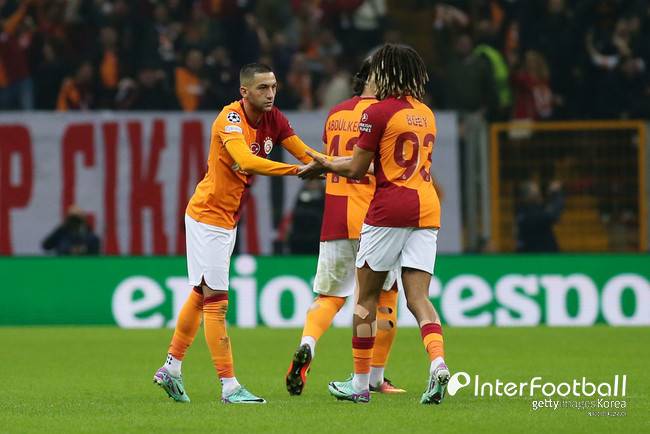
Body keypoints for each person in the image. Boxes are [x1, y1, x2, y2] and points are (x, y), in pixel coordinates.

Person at [153, 63, 323, 404]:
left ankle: (171, 367)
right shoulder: (229, 119)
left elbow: (307, 154)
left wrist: (343, 166)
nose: (270, 94)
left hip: (224, 218)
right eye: (262, 88)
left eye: (273, 86)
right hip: (209, 216)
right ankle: (229, 386)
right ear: (244, 92)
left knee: (200, 294)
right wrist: (297, 172)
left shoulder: (274, 119)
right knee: (216, 303)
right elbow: (246, 161)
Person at [301, 44, 450, 404]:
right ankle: (438, 364)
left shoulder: (377, 113)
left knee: (366, 296)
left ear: (387, 73)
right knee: (418, 298)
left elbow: (355, 168)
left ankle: (359, 384)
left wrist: (323, 163)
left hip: (389, 210)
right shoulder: (426, 113)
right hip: (427, 208)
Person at [286, 58, 405, 396]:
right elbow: (376, 165)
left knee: (329, 296)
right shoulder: (385, 114)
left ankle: (308, 343)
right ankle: (375, 377)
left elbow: (332, 159)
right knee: (384, 295)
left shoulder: (336, 113)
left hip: (336, 215)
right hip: (374, 217)